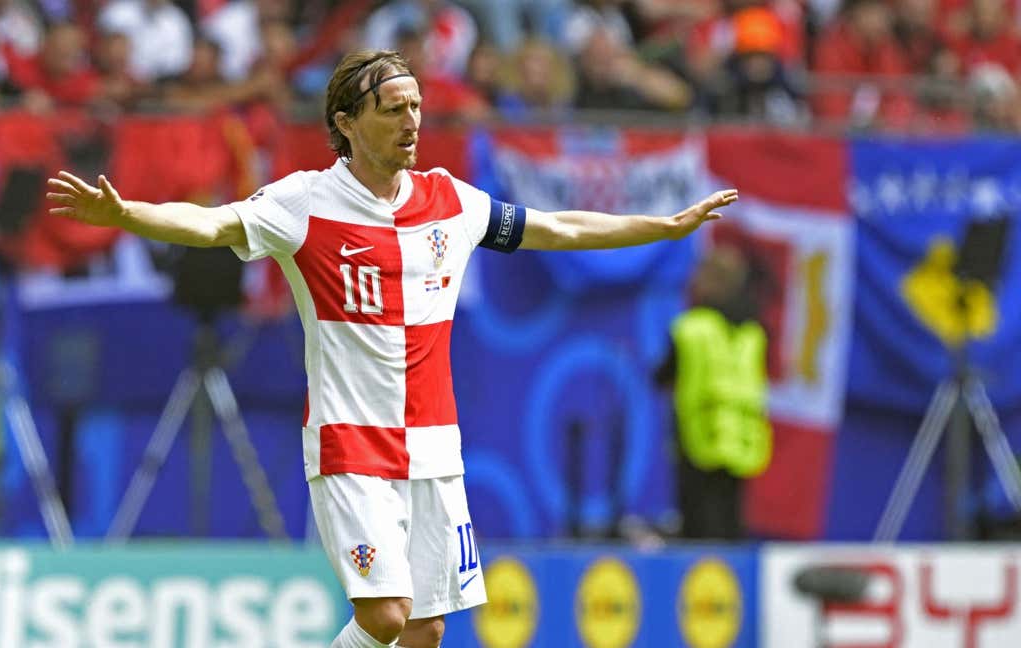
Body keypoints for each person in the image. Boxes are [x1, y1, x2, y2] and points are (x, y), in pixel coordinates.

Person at [46, 49, 737, 648]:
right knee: (383, 614)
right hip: (352, 443)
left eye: (415, 106)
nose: (411, 123)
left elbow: (557, 228)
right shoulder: (304, 203)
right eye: (392, 109)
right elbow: (212, 222)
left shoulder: (450, 201)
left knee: (426, 631)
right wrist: (127, 214)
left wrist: (660, 227)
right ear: (346, 123)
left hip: (434, 449)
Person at [656, 244, 771, 541]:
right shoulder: (753, 331)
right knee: (732, 520)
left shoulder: (691, 327)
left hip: (699, 437)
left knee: (699, 525)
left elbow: (664, 375)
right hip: (742, 439)